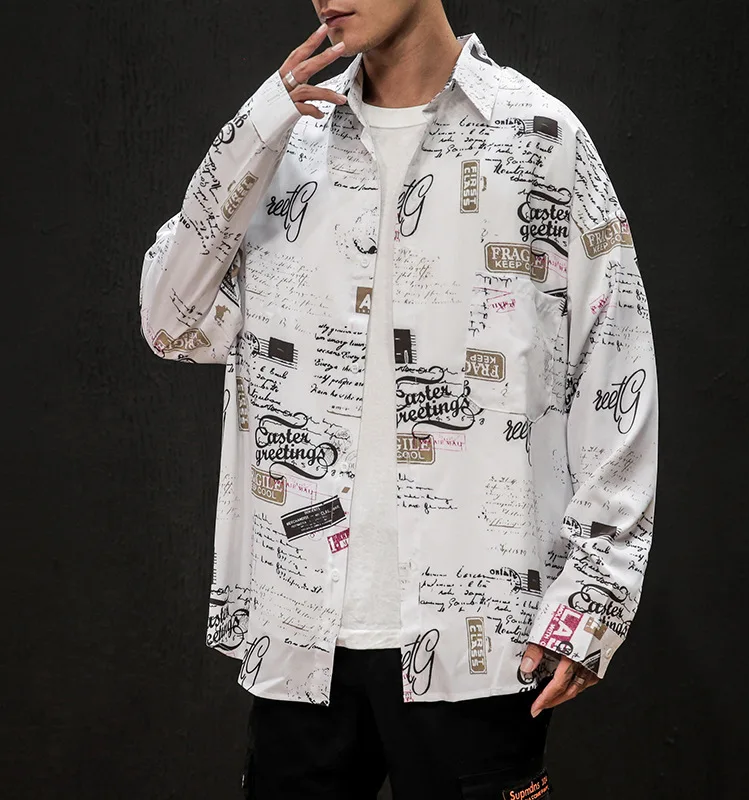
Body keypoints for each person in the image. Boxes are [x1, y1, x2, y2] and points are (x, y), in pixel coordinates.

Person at [139, 1, 659, 797]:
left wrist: (594, 598)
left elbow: (615, 367)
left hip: (480, 646)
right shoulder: (282, 146)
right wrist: (252, 132)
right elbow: (168, 322)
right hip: (299, 636)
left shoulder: (540, 139)